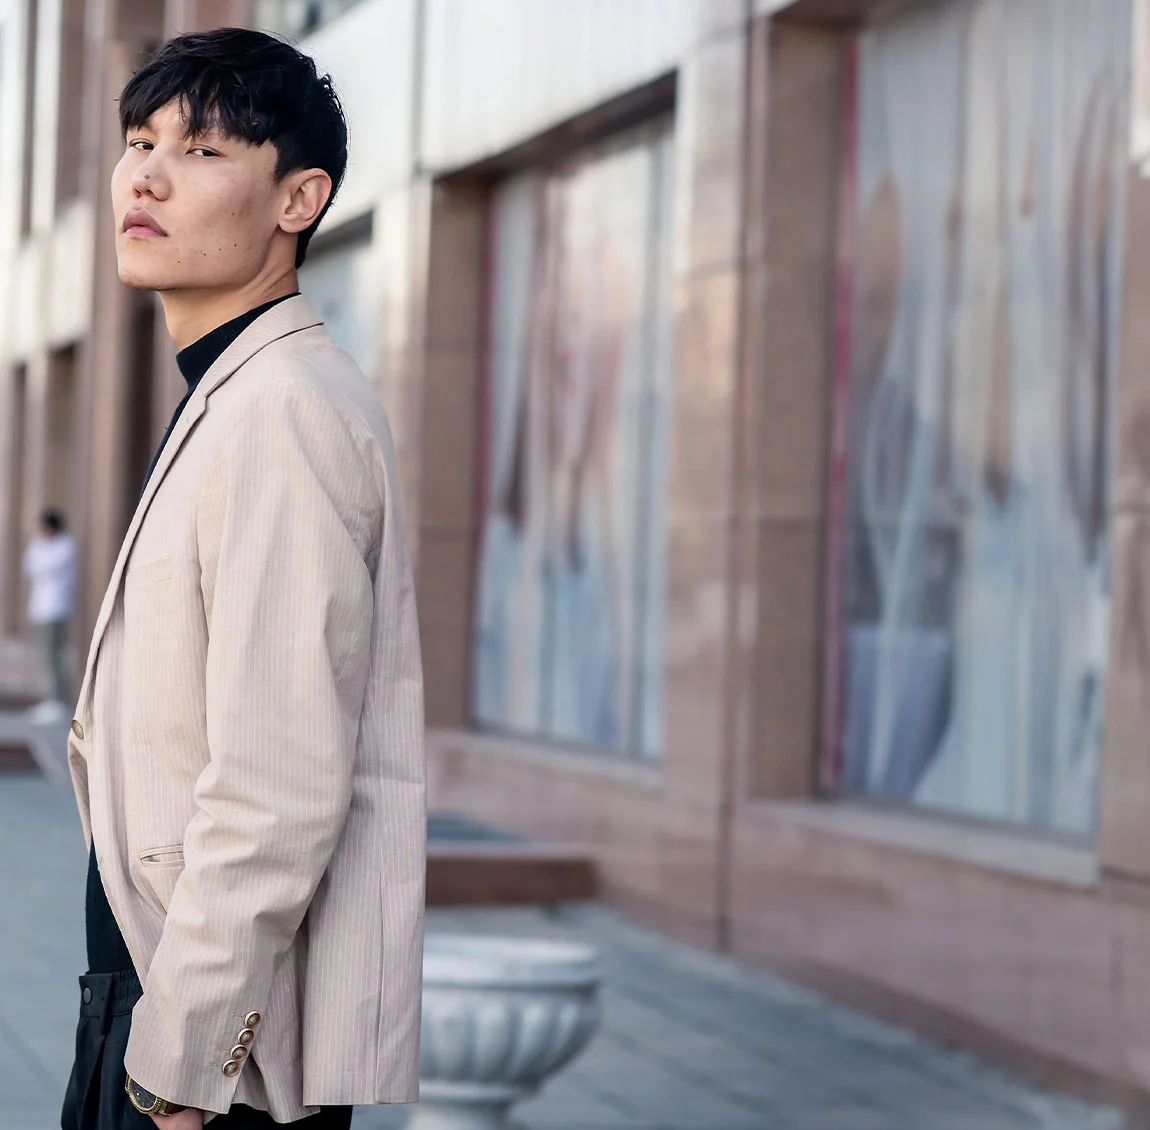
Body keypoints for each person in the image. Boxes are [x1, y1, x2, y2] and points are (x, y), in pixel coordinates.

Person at [62, 28, 426, 1130]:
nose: (149, 176)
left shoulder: (282, 411)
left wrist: (183, 1055)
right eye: (140, 141)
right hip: (165, 990)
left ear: (297, 199)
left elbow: (279, 773)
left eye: (205, 151)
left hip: (205, 1049)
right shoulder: (239, 388)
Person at [23, 508, 78, 723]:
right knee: (47, 655)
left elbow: (46, 568)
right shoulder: (39, 546)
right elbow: (30, 568)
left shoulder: (65, 546)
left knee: (56, 655)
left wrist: (39, 557)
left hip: (57, 608)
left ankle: (59, 700)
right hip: (41, 608)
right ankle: (51, 699)